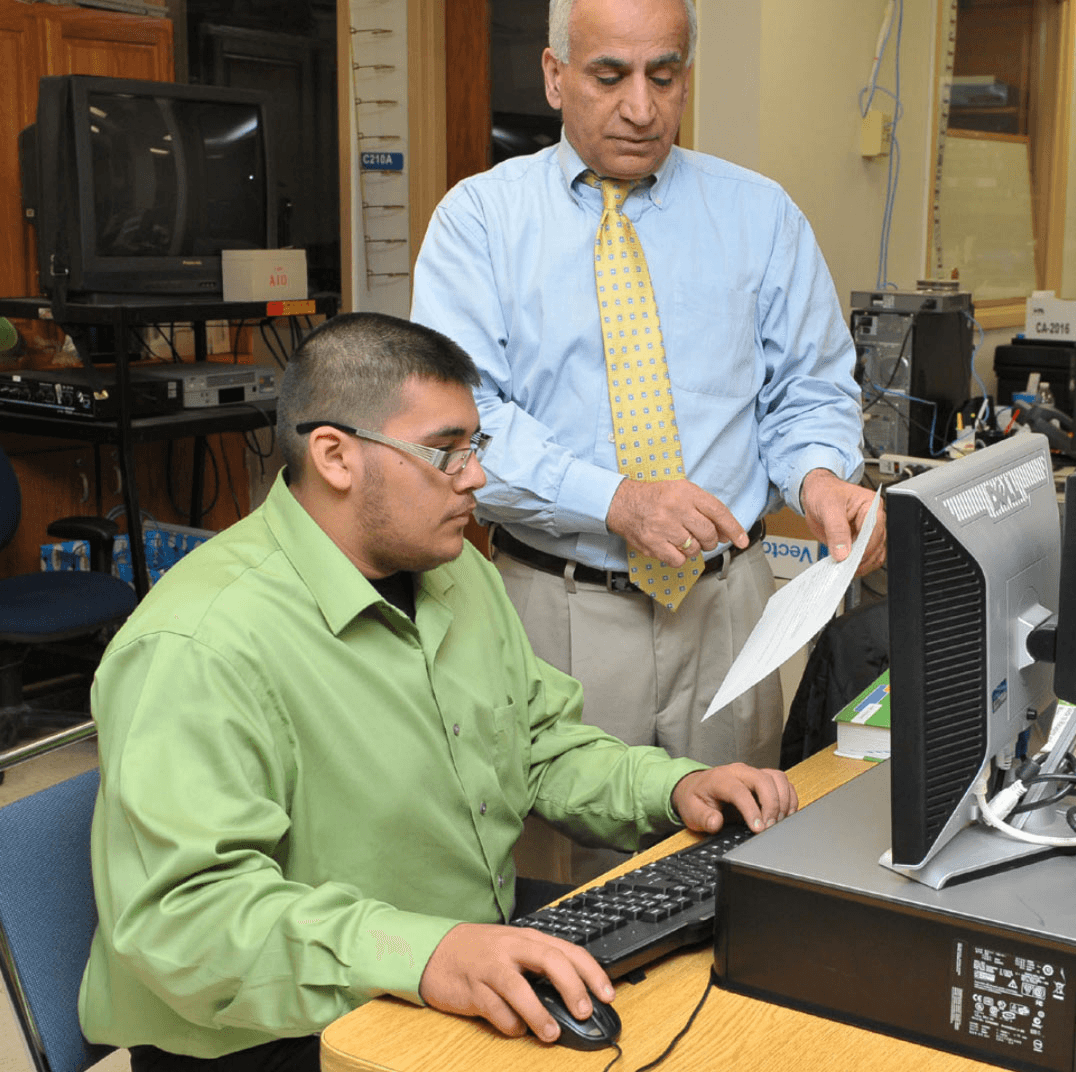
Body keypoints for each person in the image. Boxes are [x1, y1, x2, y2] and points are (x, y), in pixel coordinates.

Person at [78, 312, 798, 1072]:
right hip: (278, 1029)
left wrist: (677, 788)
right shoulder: (197, 646)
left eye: (475, 447)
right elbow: (183, 920)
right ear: (335, 456)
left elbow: (538, 745)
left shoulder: (454, 571)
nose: (478, 477)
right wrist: (428, 955)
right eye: (447, 452)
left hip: (452, 953)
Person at [410, 0, 884, 879]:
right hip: (556, 609)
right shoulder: (480, 223)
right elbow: (468, 428)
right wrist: (618, 500)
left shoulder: (761, 216)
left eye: (663, 76)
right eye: (609, 76)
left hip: (729, 614)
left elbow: (808, 390)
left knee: (736, 867)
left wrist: (819, 480)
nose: (641, 106)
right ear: (555, 78)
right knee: (568, 892)